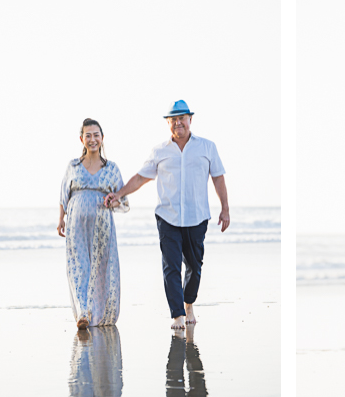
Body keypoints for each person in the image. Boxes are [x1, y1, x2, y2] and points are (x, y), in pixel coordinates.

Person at [104, 100, 229, 331]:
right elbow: (141, 178)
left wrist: (225, 209)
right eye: (173, 120)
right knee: (171, 266)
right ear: (168, 124)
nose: (178, 123)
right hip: (167, 218)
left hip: (197, 217)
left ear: (190, 120)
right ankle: (178, 315)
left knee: (195, 265)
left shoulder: (207, 147)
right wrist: (119, 194)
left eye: (182, 118)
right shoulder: (159, 151)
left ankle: (188, 303)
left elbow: (218, 177)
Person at [58, 119, 128, 329]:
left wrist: (113, 199)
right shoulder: (73, 166)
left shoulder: (112, 168)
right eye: (88, 135)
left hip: (102, 224)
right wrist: (60, 218)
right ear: (82, 139)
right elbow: (64, 195)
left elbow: (122, 199)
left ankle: (99, 313)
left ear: (102, 138)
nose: (92, 139)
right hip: (76, 225)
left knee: (100, 268)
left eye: (96, 135)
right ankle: (83, 313)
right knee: (79, 266)